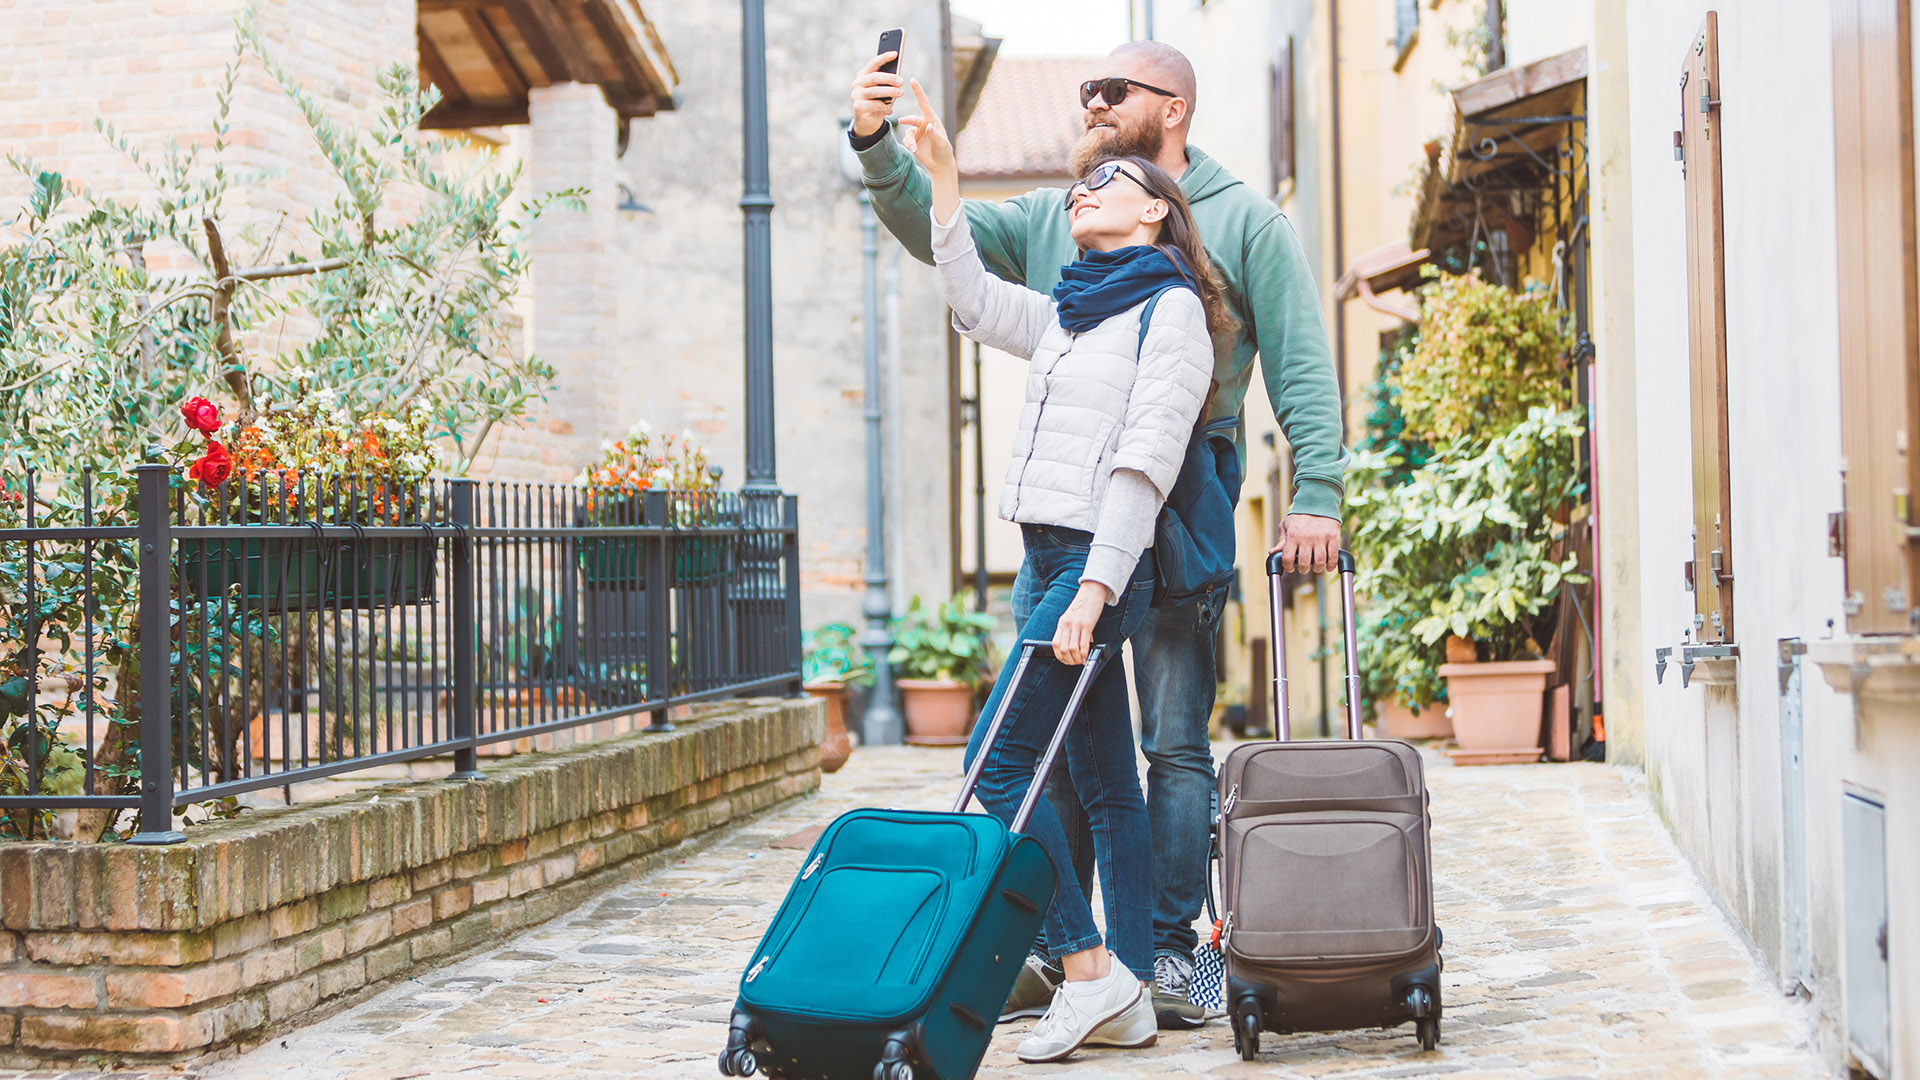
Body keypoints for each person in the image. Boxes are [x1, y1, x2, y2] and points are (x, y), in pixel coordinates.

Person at [847, 42, 1349, 1028]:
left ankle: (1154, 949)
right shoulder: (1057, 214)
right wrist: (878, 147)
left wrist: (1318, 491)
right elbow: (942, 246)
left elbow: (1294, 362)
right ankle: (1079, 954)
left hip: (1174, 512)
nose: (1091, 104)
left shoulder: (1240, 224)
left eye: (1111, 92)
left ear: (1172, 111)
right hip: (1065, 525)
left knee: (1168, 742)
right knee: (1075, 755)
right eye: (1087, 91)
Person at [892, 78, 1227, 1063]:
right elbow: (972, 300)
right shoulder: (1075, 313)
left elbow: (1146, 457)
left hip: (1090, 563)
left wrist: (1093, 589)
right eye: (1079, 185)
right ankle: (1121, 989)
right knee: (1105, 780)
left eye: (1106, 182)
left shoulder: (1170, 314)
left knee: (990, 767)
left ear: (1156, 207)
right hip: (1043, 554)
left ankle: (1084, 967)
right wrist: (944, 180)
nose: (1082, 190)